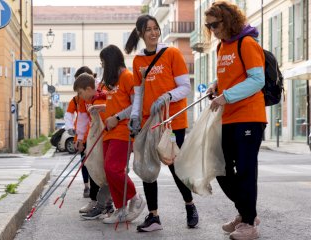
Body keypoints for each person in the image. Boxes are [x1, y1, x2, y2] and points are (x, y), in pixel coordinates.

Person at [125, 14, 199, 232]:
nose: (153, 32)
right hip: (150, 123)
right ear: (140, 33)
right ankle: (154, 217)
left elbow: (185, 87)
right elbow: (139, 94)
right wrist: (135, 116)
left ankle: (190, 206)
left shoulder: (172, 53)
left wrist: (167, 96)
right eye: (148, 29)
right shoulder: (138, 60)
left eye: (155, 28)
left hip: (173, 121)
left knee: (175, 167)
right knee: (147, 167)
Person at [204, 1, 265, 239]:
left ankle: (248, 224)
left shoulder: (246, 43)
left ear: (228, 21)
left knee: (246, 170)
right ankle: (246, 211)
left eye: (215, 24)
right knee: (221, 167)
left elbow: (256, 80)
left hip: (249, 116)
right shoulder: (222, 47)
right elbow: (230, 78)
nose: (212, 30)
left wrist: (226, 96)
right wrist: (215, 86)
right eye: (208, 26)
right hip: (228, 117)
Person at [94, 44, 146, 224]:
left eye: (103, 62)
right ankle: (121, 209)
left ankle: (135, 198)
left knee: (113, 168)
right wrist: (102, 108)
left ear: (110, 61)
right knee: (109, 171)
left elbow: (136, 105)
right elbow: (117, 102)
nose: (102, 66)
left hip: (123, 130)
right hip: (109, 131)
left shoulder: (127, 77)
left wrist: (116, 117)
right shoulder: (113, 81)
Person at [67, 66, 101, 212]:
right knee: (89, 166)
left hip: (99, 135)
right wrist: (80, 139)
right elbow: (80, 119)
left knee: (100, 169)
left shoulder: (100, 91)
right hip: (88, 137)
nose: (79, 94)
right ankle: (94, 199)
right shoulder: (79, 100)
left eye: (80, 91)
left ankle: (103, 202)